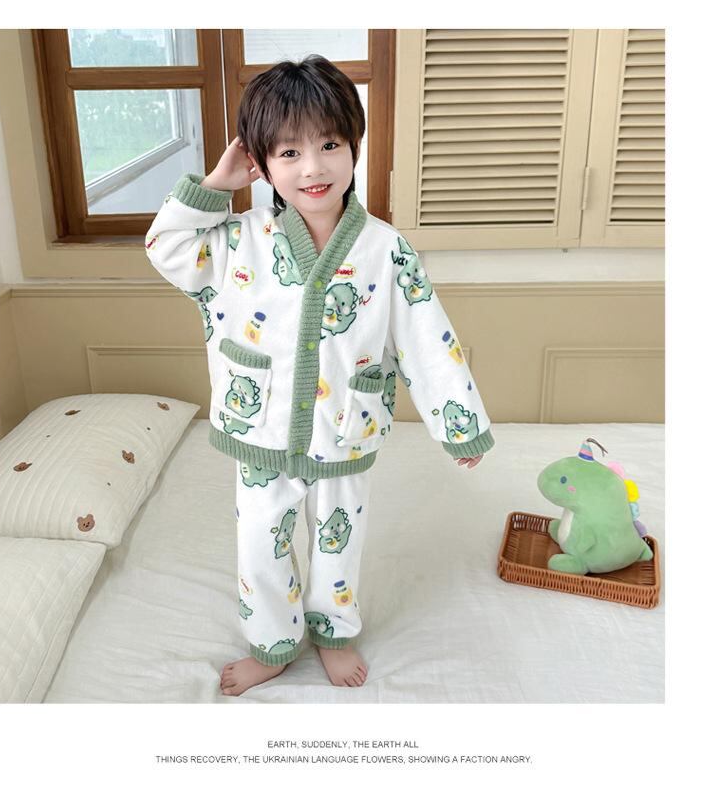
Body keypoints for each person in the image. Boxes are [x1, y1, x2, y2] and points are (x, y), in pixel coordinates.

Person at [145, 54, 495, 696]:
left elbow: (425, 337)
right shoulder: (237, 239)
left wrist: (459, 425)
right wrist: (216, 184)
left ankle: (334, 633)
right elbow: (165, 247)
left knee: (340, 543)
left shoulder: (385, 249)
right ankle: (273, 644)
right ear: (260, 162)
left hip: (345, 427)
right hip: (261, 428)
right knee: (261, 542)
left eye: (330, 145)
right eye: (288, 152)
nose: (313, 167)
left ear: (354, 145)